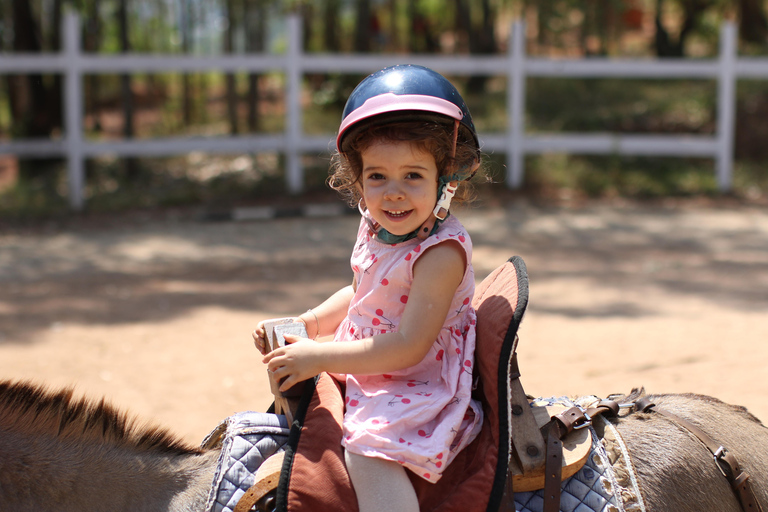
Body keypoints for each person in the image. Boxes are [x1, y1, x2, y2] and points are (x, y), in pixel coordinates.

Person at [252, 64, 484, 512]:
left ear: (447, 178)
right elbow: (360, 293)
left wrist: (318, 355)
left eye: (413, 176)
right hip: (370, 355)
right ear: (358, 177)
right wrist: (308, 324)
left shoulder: (440, 253)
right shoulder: (376, 228)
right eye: (377, 176)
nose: (392, 193)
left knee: (367, 451)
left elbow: (408, 344)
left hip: (415, 376)